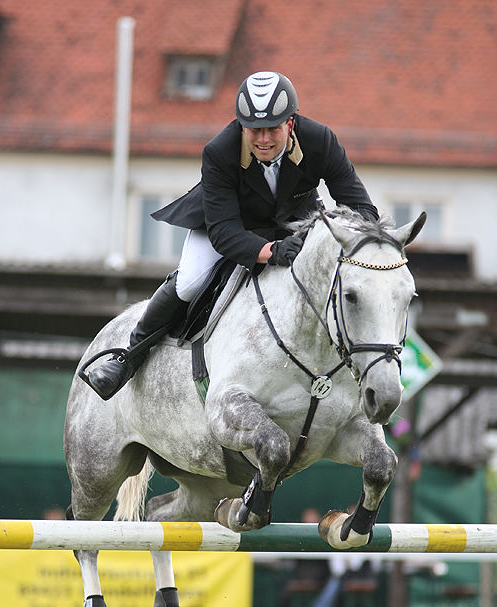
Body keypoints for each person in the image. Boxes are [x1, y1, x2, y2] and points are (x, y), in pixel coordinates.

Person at [88, 70, 378, 400]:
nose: (264, 139)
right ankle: (128, 357)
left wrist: (330, 240)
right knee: (190, 282)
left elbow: (362, 209)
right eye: (254, 129)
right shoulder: (219, 151)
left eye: (273, 128)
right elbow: (225, 233)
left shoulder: (320, 140)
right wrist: (271, 251)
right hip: (226, 224)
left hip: (293, 223)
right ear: (241, 125)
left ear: (291, 124)